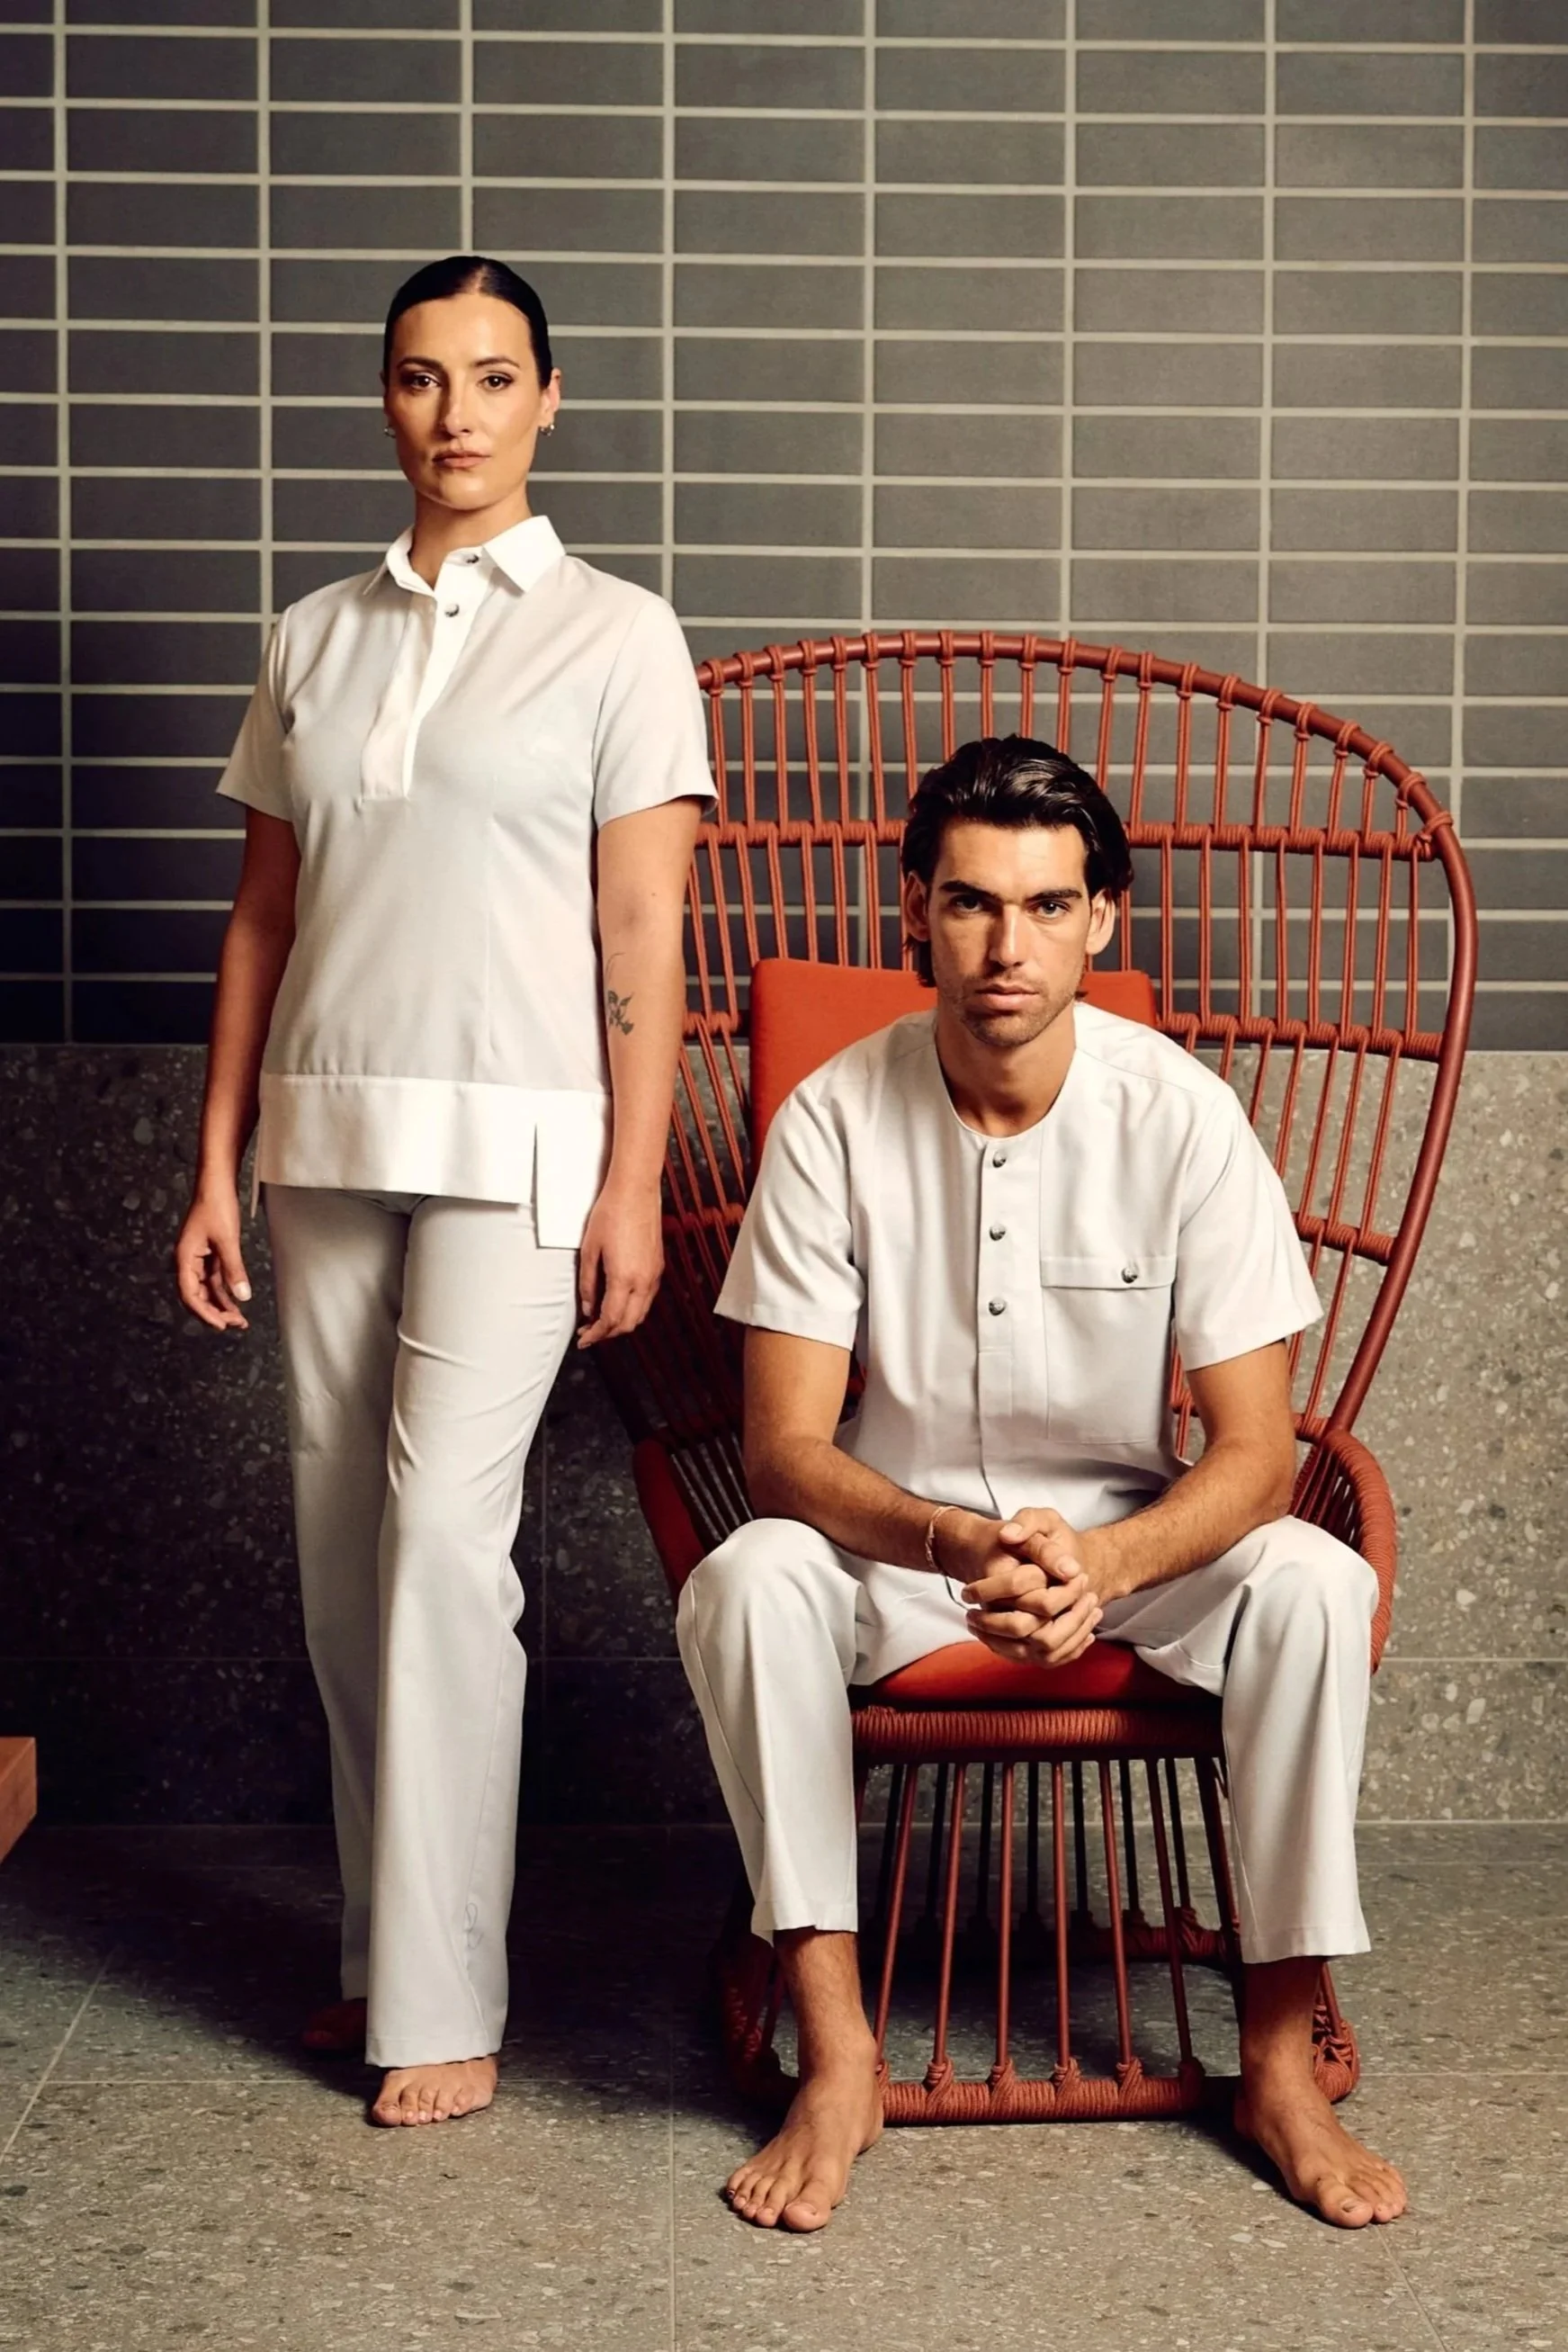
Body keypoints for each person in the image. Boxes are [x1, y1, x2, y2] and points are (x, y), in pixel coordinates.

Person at [677, 735, 1409, 2235]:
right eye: (968, 903)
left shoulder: (1184, 1117)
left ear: (1102, 918)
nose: (1006, 945)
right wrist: (949, 1534)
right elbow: (784, 1451)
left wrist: (1108, 1561)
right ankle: (837, 2049)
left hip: (1133, 1542)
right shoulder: (829, 1118)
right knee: (745, 1572)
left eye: (1044, 904)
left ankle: (1275, 2052)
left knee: (1316, 1581)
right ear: (913, 910)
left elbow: (1257, 1451)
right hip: (892, 1539)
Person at [175, 254, 713, 2129]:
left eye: (492, 376)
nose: (455, 412)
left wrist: (630, 1182)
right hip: (321, 1139)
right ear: (384, 400)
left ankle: (447, 1997)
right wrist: (216, 1156)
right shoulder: (313, 633)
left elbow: (642, 922)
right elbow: (264, 911)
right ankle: (373, 1954)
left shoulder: (618, 635)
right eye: (420, 377)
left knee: (437, 1552)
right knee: (342, 1567)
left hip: (521, 1147)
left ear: (548, 398)